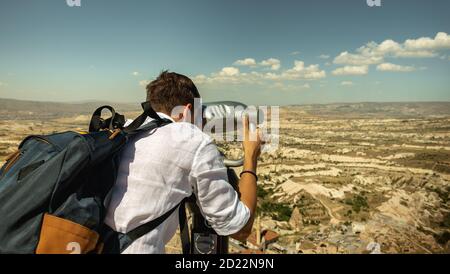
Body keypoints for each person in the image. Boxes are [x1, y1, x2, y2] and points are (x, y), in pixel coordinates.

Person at [104, 71, 261, 254]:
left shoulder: (122, 131)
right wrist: (250, 156)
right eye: (198, 116)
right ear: (186, 111)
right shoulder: (193, 142)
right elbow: (240, 229)